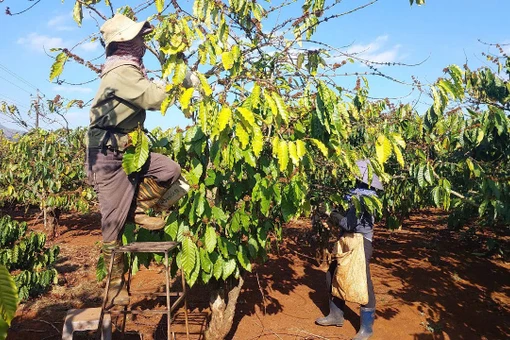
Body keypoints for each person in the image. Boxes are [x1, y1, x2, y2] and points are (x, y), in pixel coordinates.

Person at [85, 14, 182, 307]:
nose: (143, 42)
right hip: (107, 153)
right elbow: (153, 99)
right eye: (138, 37)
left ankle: (138, 209)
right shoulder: (121, 72)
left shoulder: (130, 69)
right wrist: (178, 77)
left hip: (130, 150)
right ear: (124, 42)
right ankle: (114, 286)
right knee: (112, 221)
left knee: (169, 170)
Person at [315, 160, 382, 340]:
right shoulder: (357, 196)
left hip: (360, 244)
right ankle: (336, 315)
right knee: (333, 274)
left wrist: (333, 214)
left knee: (363, 283)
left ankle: (366, 329)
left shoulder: (365, 199)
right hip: (348, 241)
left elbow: (349, 224)